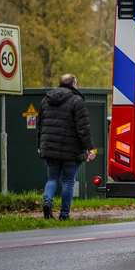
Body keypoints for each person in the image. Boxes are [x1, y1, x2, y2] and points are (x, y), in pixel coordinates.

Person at [37, 74, 94, 221]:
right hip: (71, 150)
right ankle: (64, 214)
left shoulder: (45, 100)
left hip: (49, 147)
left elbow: (40, 126)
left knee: (52, 179)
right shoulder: (77, 101)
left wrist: (40, 146)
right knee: (68, 181)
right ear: (73, 84)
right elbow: (83, 129)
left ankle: (48, 201)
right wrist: (90, 148)